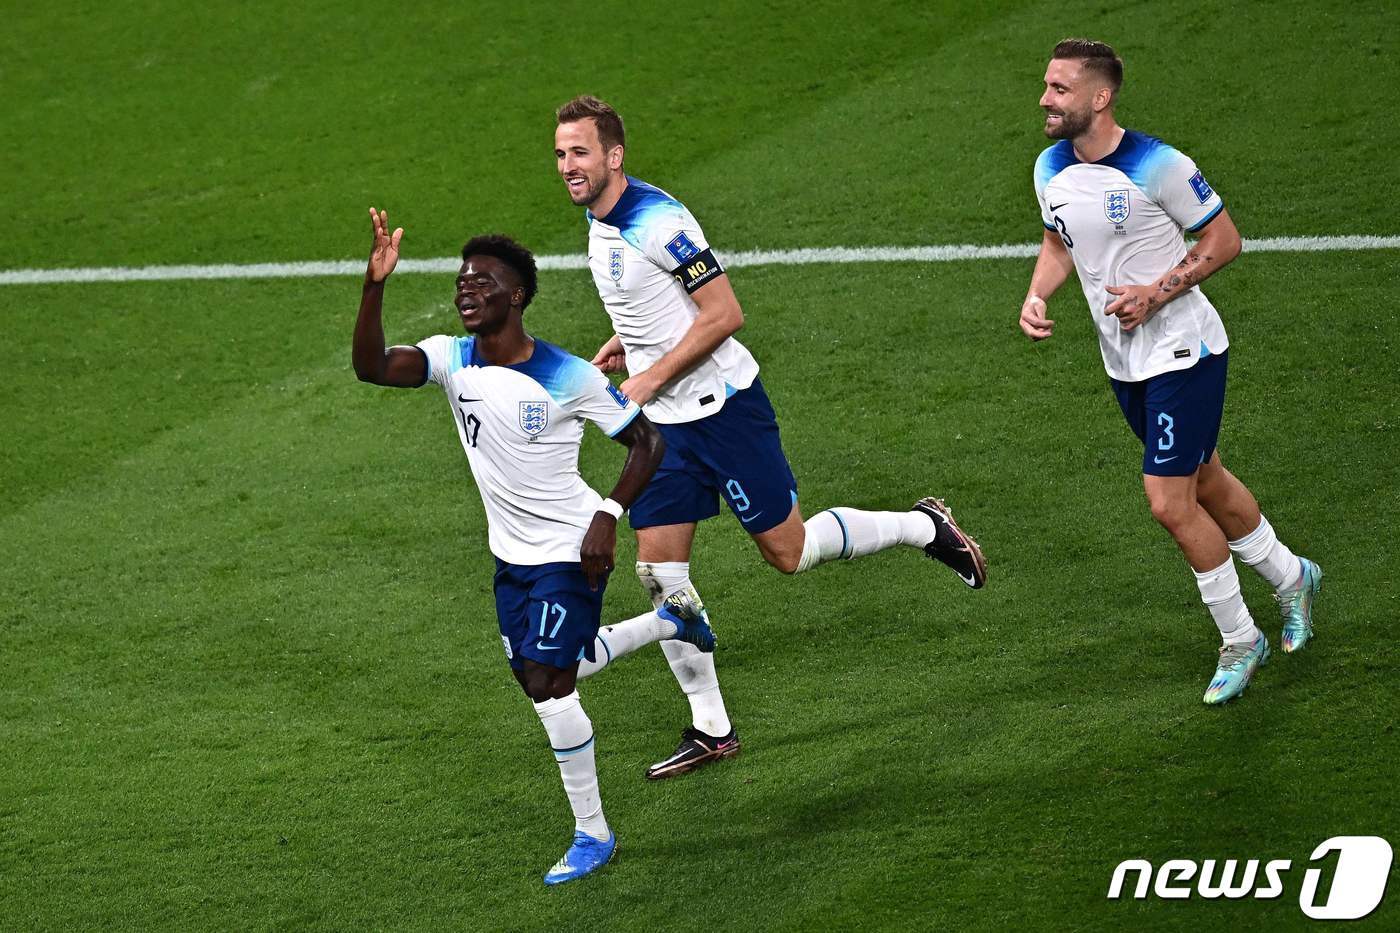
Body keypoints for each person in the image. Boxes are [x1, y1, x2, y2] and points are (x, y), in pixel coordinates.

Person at [554, 96, 988, 778]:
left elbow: (724, 312)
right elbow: (653, 300)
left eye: (580, 152)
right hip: (664, 432)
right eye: (560, 154)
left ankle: (924, 527)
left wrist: (644, 381)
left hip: (723, 410)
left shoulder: (658, 220)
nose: (568, 166)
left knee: (788, 552)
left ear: (614, 156)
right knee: (657, 568)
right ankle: (711, 726)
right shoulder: (601, 217)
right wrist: (626, 345)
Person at [351, 210, 718, 884]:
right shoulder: (450, 357)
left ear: (515, 295)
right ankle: (673, 620)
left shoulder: (566, 374)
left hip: (569, 550)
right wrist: (374, 286)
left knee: (551, 686)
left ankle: (593, 834)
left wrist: (609, 515)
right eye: (462, 281)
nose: (467, 291)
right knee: (547, 672)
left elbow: (648, 442)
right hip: (510, 557)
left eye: (482, 282)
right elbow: (373, 367)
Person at [1020, 39, 1322, 704]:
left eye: (1060, 89)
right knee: (1204, 474)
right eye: (1046, 86)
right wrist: (1039, 293)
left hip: (1184, 349)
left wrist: (1155, 292)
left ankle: (1241, 638)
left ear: (1100, 98)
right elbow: (1056, 242)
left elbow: (1223, 240)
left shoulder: (1158, 165)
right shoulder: (1049, 166)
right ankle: (1292, 575)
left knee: (1169, 499)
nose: (1045, 98)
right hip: (1124, 360)